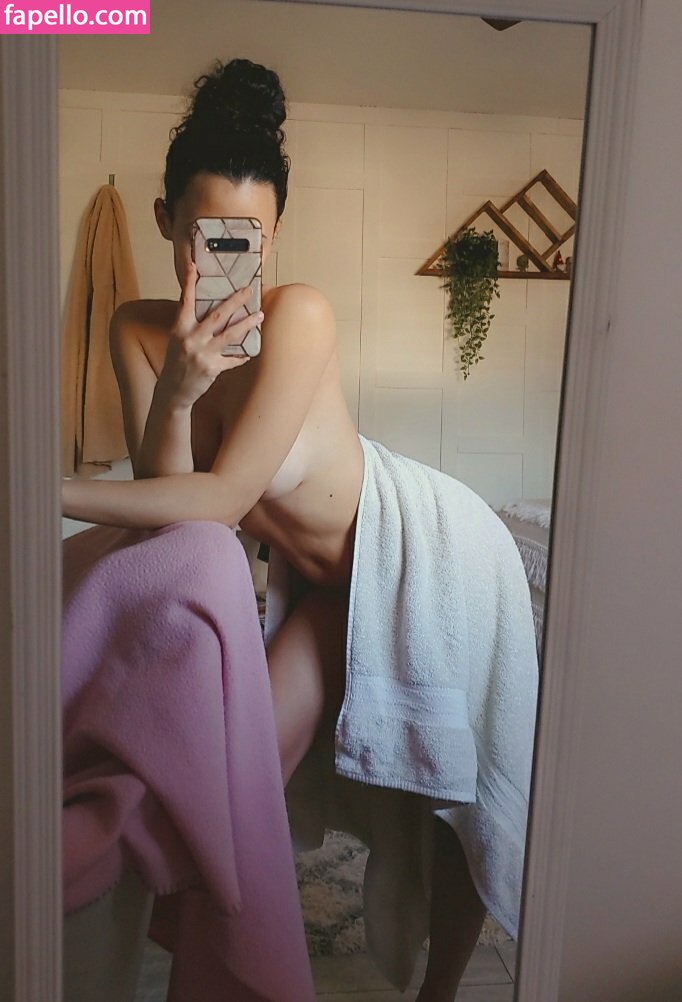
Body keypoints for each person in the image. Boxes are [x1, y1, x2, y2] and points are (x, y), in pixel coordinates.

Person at [63, 58, 536, 1002]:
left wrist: (51, 491)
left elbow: (220, 497)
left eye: (248, 239)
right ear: (165, 223)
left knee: (460, 804)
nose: (225, 262)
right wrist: (180, 390)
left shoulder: (301, 316)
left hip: (426, 553)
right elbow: (173, 527)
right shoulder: (136, 331)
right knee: (231, 776)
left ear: (274, 233)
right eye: (204, 237)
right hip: (322, 589)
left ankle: (441, 993)